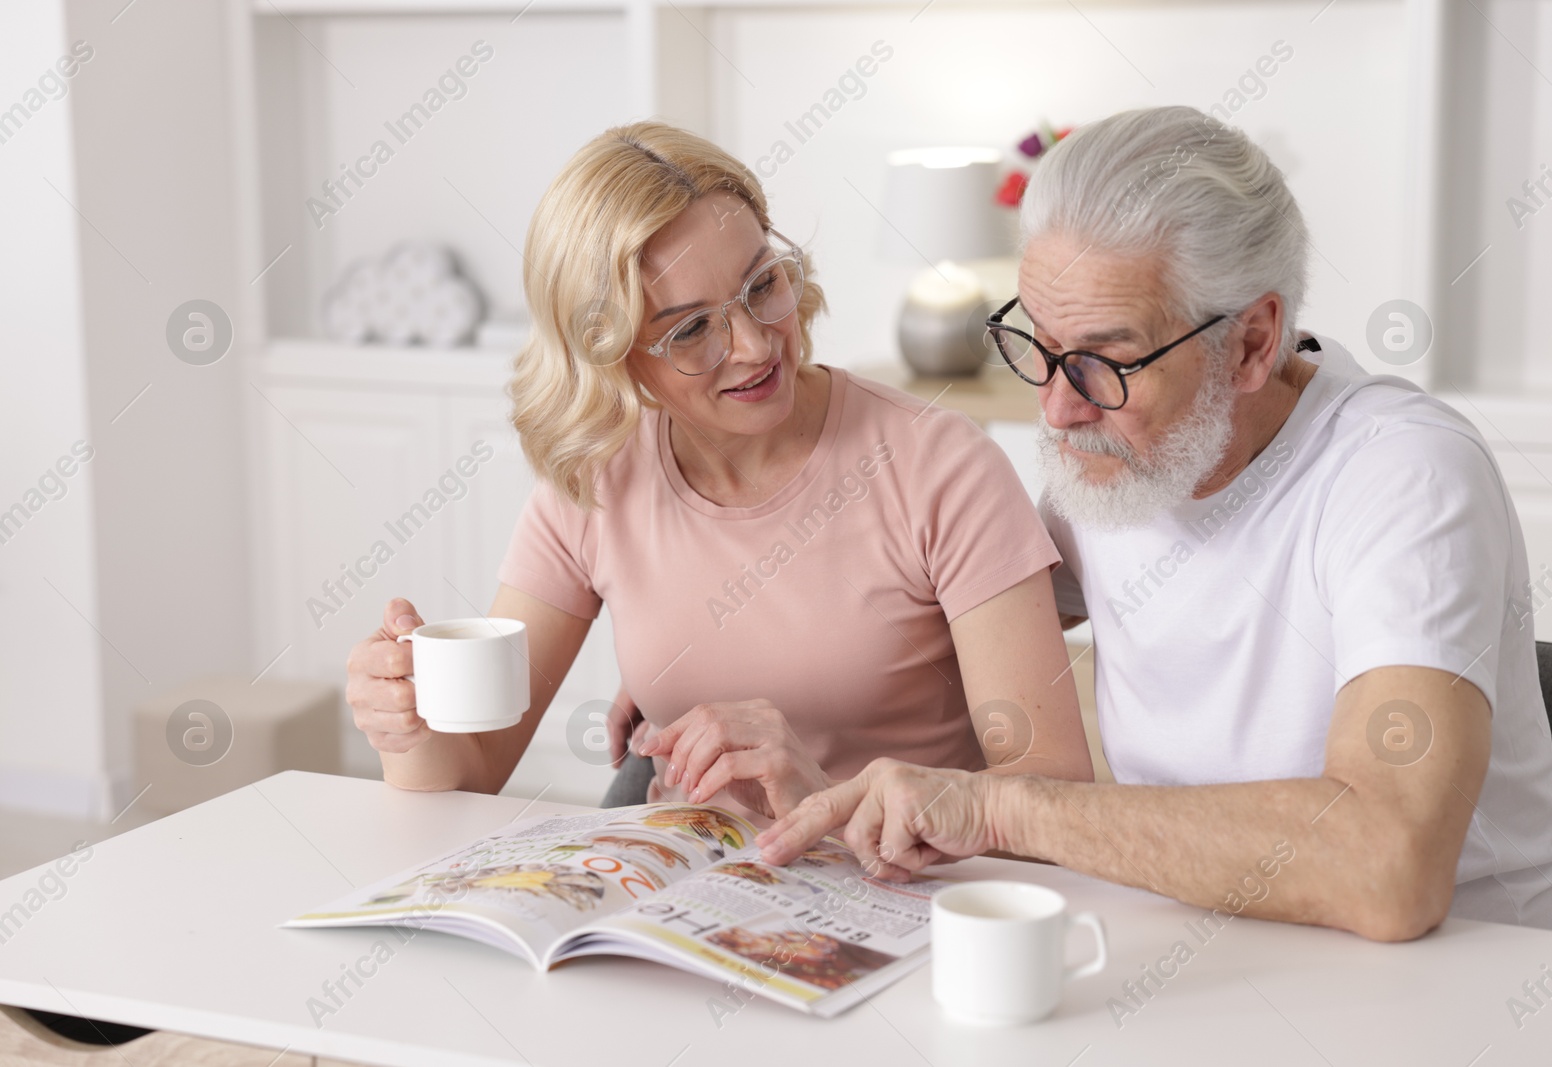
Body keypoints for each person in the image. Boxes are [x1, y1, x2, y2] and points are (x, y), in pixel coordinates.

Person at [758, 105, 1552, 940]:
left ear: (1252, 342)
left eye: (1104, 360)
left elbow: (1389, 867)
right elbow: (911, 639)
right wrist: (780, 728)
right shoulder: (1122, 459)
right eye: (1041, 345)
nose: (1055, 407)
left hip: (1486, 984)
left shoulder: (1404, 473)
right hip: (1223, 964)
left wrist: (1008, 809)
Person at [344, 121, 1093, 821]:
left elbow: (1052, 787)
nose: (755, 346)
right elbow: (473, 772)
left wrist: (823, 803)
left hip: (897, 908)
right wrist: (404, 725)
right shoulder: (595, 481)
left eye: (762, 285)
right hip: (685, 897)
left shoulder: (942, 467)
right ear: (610, 357)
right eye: (693, 329)